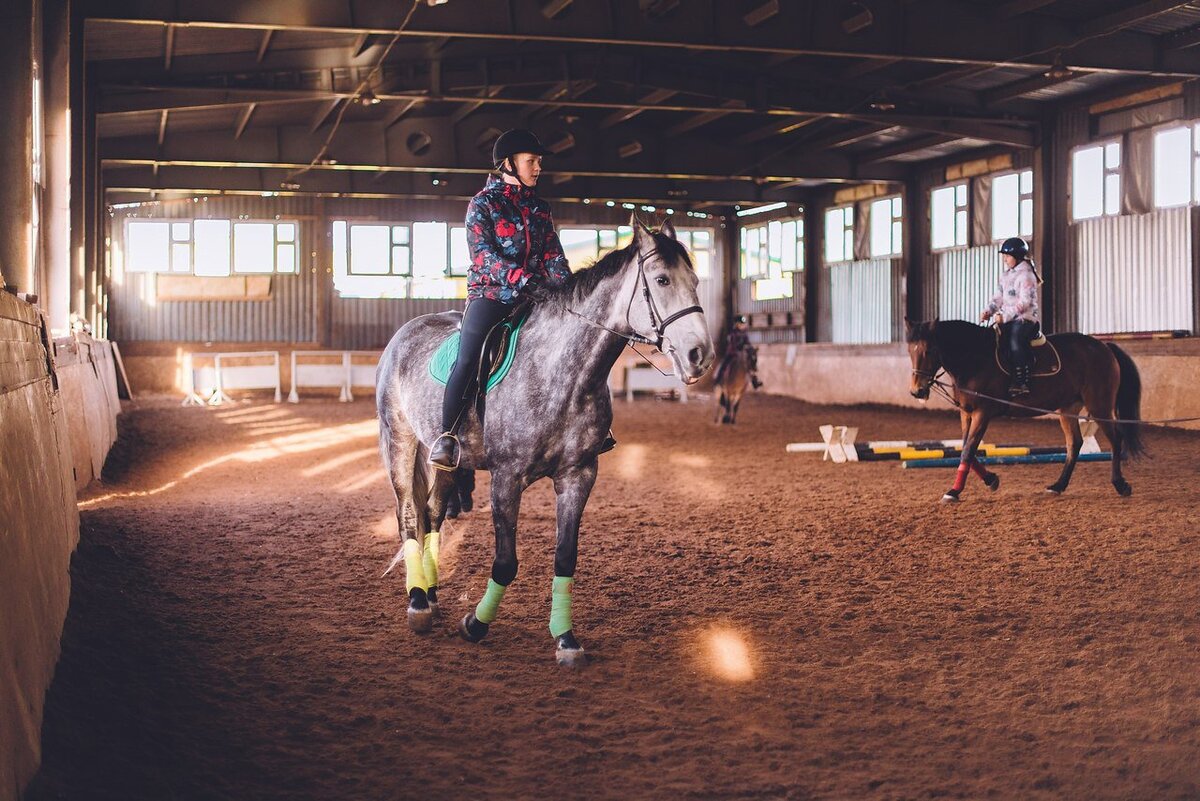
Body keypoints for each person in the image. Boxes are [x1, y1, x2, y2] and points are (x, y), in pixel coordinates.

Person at [428, 129, 581, 470]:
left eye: (538, 161)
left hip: (536, 296)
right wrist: (524, 281)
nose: (538, 167)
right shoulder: (483, 204)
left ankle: (588, 426)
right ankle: (448, 437)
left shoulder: (540, 208)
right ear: (508, 165)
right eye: (532, 161)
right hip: (491, 295)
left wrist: (567, 290)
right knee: (469, 357)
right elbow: (483, 256)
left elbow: (553, 256)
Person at [980, 237, 1042, 396]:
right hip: (1008, 319)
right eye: (1004, 256)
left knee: (1015, 340)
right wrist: (989, 311)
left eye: (1007, 256)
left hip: (1025, 319)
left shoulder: (1027, 276)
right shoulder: (1006, 275)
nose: (1004, 259)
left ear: (1017, 256)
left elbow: (1025, 302)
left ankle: (1022, 382)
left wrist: (1005, 317)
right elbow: (998, 297)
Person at [713, 315, 763, 389]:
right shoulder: (733, 333)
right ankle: (718, 380)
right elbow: (733, 345)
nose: (743, 326)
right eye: (741, 324)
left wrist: (751, 349)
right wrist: (740, 348)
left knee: (751, 364)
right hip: (732, 353)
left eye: (743, 324)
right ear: (737, 324)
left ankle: (754, 381)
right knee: (724, 364)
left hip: (741, 354)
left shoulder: (744, 333)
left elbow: (748, 343)